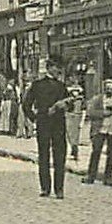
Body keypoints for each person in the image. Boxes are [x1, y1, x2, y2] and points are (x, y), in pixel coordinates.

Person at [22, 59, 70, 198]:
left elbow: (70, 105)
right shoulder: (37, 85)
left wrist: (66, 105)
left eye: (59, 68)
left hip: (59, 124)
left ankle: (59, 189)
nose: (57, 70)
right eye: (55, 67)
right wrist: (35, 118)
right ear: (49, 68)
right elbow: (26, 104)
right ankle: (45, 187)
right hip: (43, 123)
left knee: (60, 156)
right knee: (43, 155)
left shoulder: (62, 86)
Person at [84, 78, 112, 184]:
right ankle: (91, 175)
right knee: (96, 151)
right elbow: (90, 112)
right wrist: (103, 113)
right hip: (100, 128)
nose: (109, 90)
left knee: (111, 153)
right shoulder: (97, 99)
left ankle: (108, 177)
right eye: (107, 88)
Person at [63, 70, 85, 161]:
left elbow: (84, 110)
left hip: (77, 117)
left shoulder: (81, 100)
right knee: (69, 134)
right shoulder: (68, 100)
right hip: (69, 116)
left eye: (76, 91)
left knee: (75, 135)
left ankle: (75, 149)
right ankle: (72, 148)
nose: (75, 93)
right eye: (73, 91)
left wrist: (82, 121)